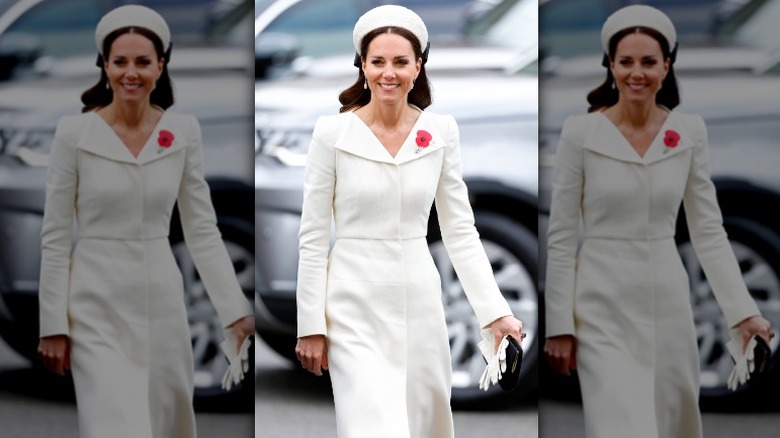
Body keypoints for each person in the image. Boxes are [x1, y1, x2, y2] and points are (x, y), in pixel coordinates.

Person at [293, 5, 524, 438]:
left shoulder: (441, 131)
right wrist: (311, 325)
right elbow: (312, 236)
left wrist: (496, 314)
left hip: (420, 302)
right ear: (362, 66)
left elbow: (459, 231)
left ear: (418, 67)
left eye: (401, 61)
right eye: (377, 61)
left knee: (424, 427)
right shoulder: (331, 133)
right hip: (351, 304)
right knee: (371, 428)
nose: (389, 73)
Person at [543, 5, 772, 438]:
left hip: (669, 301)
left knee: (671, 424)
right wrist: (560, 326)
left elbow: (708, 230)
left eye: (649, 62)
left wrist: (744, 313)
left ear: (666, 66)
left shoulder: (689, 131)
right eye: (626, 61)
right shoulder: (580, 133)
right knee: (618, 426)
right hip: (600, 303)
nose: (637, 72)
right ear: (610, 65)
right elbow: (561, 237)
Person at [35, 5, 254, 438]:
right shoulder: (73, 134)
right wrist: (52, 326)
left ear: (161, 66)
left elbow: (202, 230)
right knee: (114, 426)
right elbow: (56, 237)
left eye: (142, 61)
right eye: (120, 62)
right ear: (104, 66)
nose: (130, 73)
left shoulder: (184, 132)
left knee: (165, 424)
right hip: (94, 303)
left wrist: (234, 309)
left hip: (164, 304)